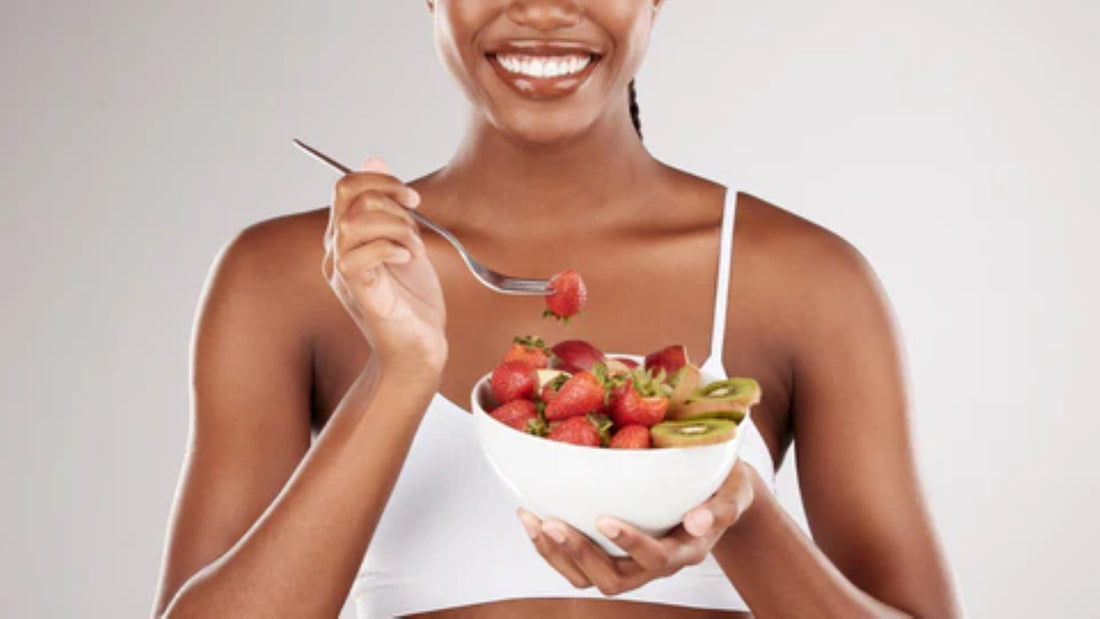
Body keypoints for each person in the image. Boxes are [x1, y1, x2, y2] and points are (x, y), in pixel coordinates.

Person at [152, 1, 961, 617]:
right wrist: (401, 370)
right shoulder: (284, 278)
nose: (542, 8)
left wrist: (735, 508)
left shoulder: (808, 280)